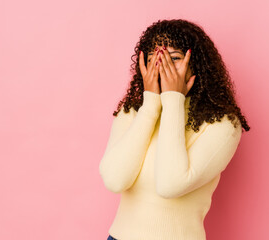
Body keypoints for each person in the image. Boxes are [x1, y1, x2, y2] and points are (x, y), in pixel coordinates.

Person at [100, 19, 250, 240]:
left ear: (195, 63)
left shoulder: (223, 123)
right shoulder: (132, 111)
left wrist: (173, 100)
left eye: (175, 58)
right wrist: (151, 104)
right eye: (154, 59)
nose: (163, 67)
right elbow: (115, 180)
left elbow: (170, 185)